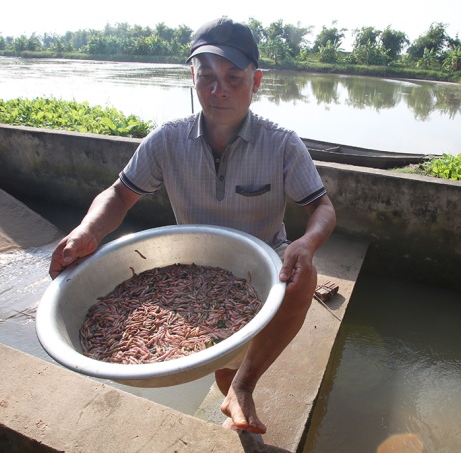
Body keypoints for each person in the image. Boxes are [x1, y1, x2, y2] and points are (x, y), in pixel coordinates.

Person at [49, 17, 336, 435]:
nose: (218, 91)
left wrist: (307, 242)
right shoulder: (167, 140)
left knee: (303, 275)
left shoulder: (282, 145)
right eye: (207, 78)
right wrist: (89, 230)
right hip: (193, 266)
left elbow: (322, 207)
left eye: (233, 79)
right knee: (218, 347)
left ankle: (244, 384)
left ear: (256, 81)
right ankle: (232, 388)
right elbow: (119, 194)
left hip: (265, 263)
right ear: (192, 78)